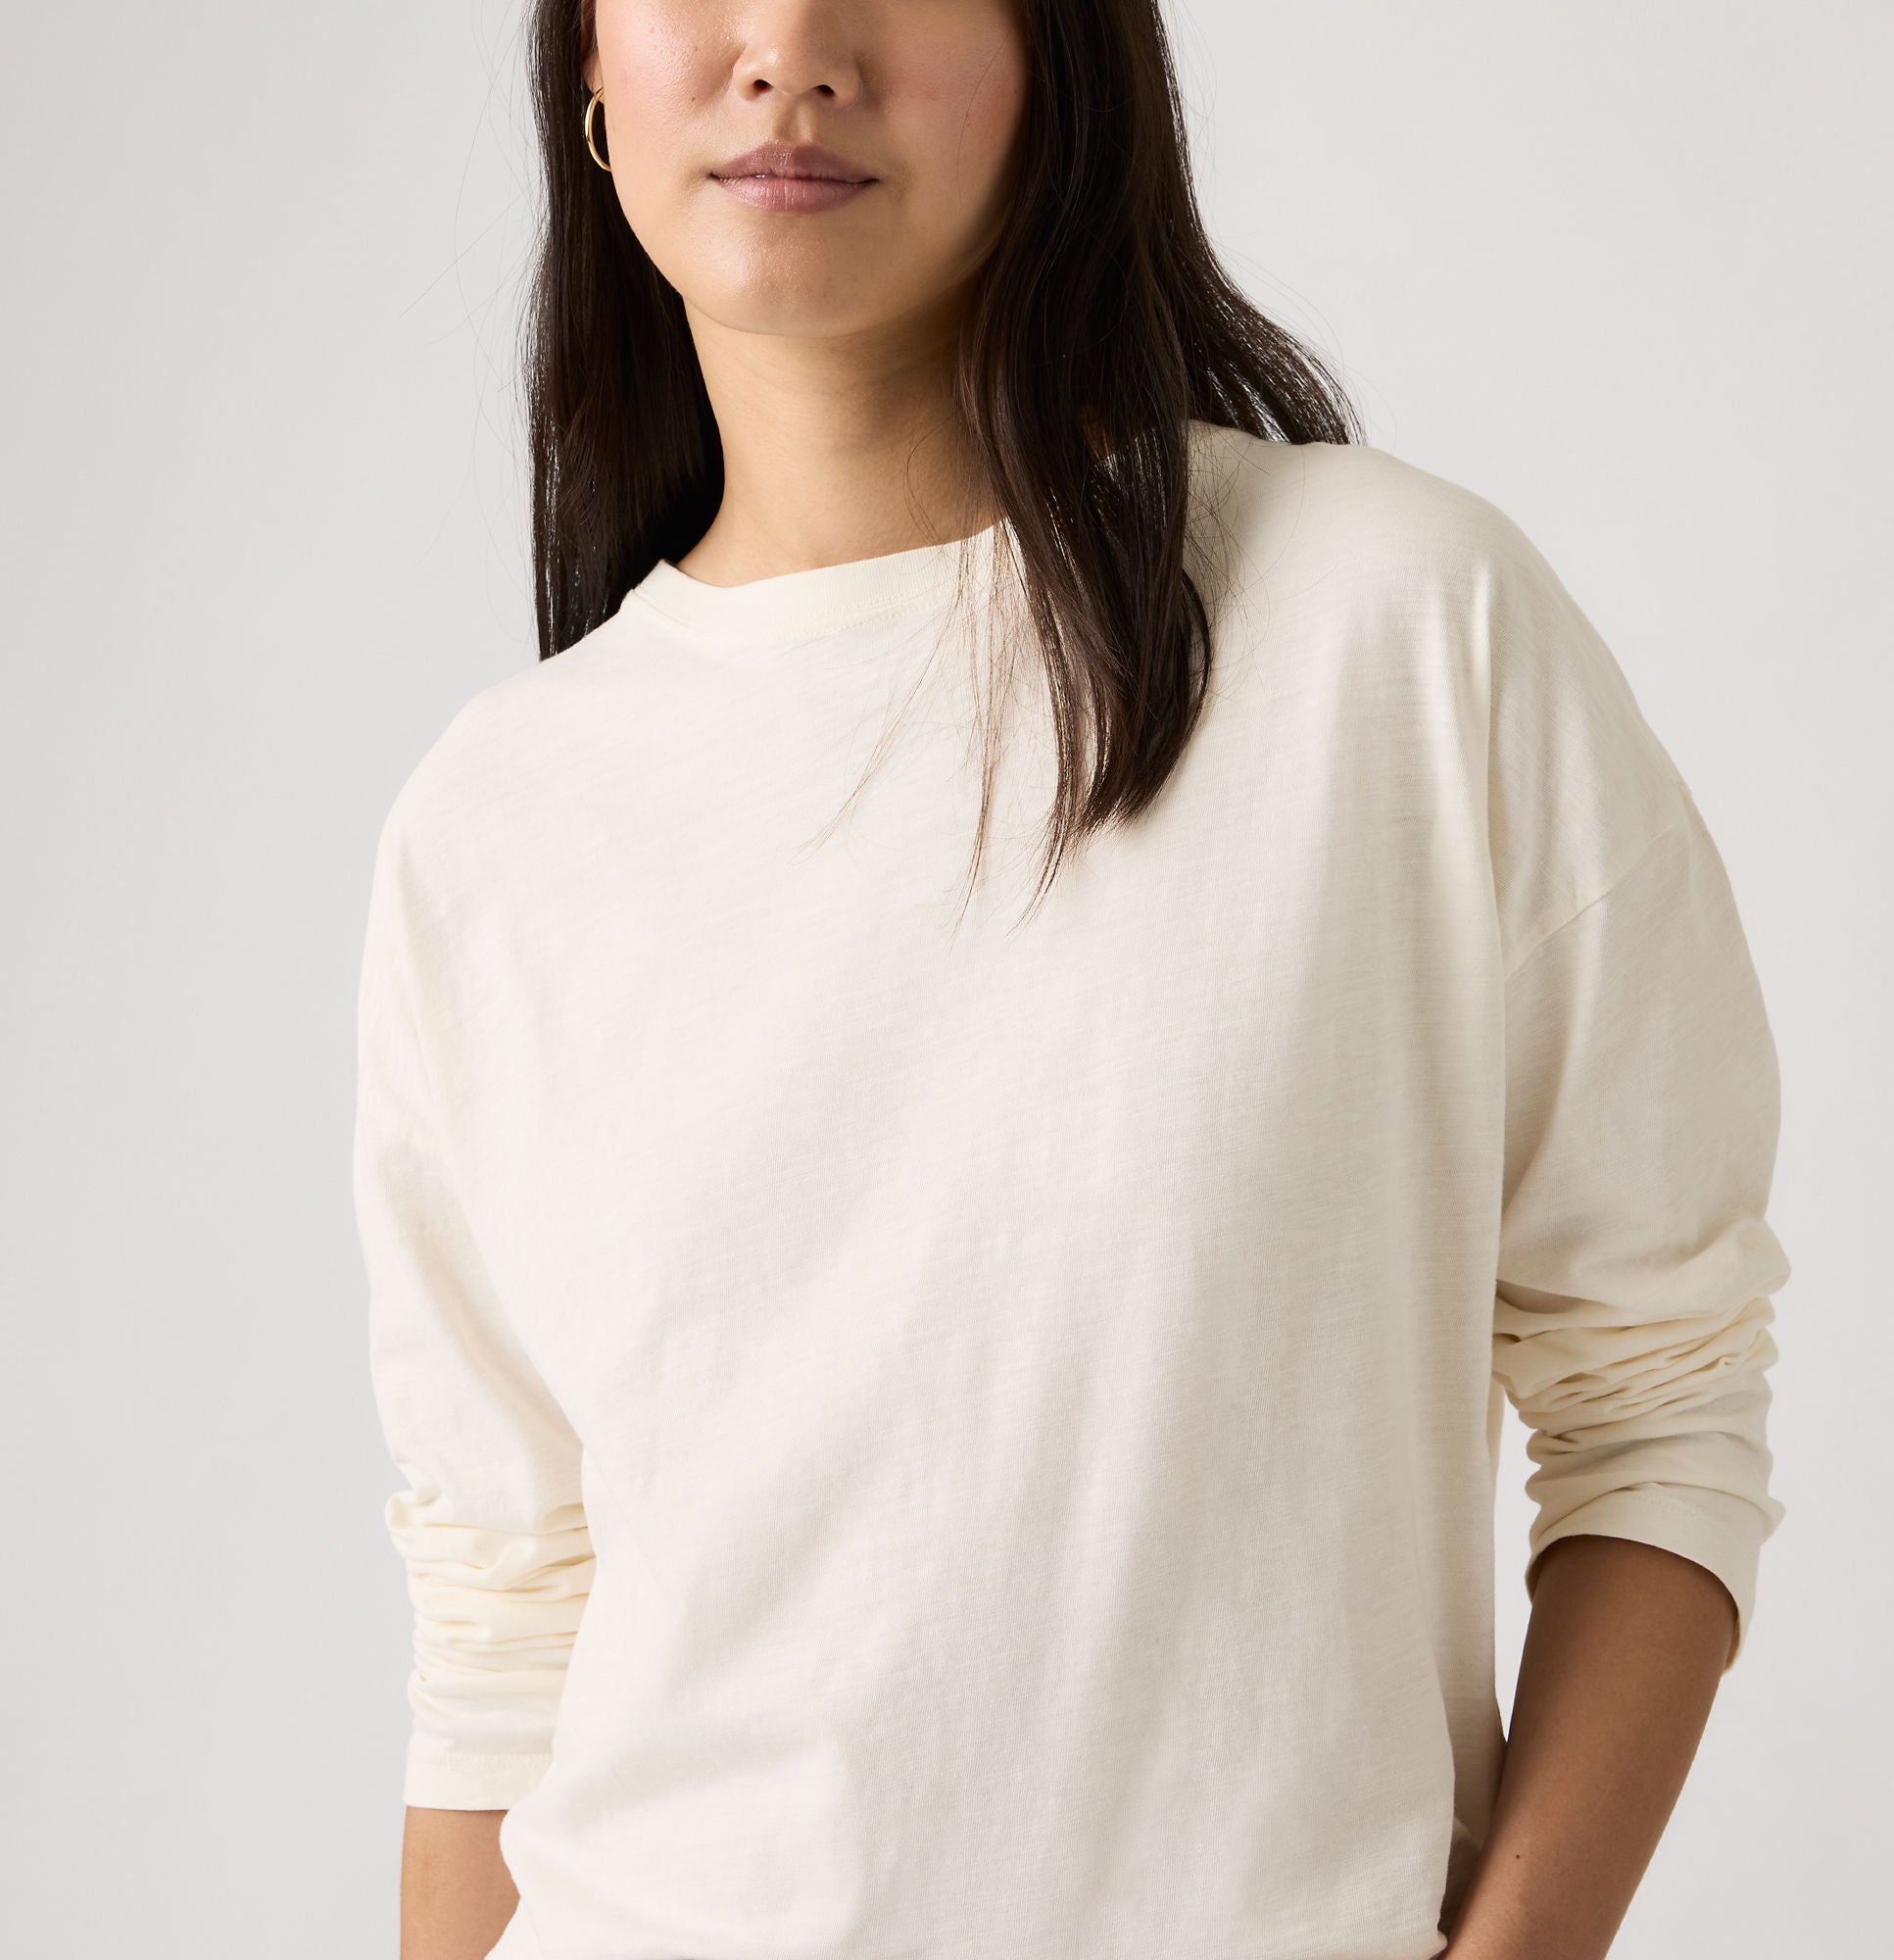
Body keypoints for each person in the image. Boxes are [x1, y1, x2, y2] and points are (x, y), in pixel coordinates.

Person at [351, 3, 1790, 1957]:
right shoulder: (496, 824)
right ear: (590, 72)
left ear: (1063, 52)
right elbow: (503, 1631)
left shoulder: (1392, 628)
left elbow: (1659, 1399)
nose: (791, 47)